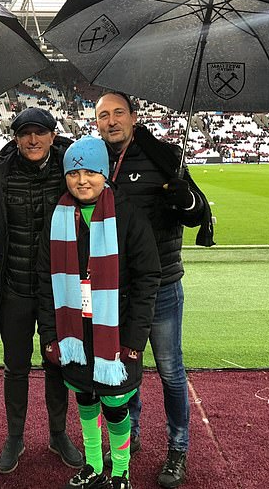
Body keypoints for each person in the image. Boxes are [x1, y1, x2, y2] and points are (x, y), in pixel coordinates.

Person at [95, 92, 214, 488]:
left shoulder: (165, 157)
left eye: (117, 113)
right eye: (102, 116)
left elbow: (198, 213)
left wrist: (186, 200)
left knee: (169, 371)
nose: (110, 121)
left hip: (161, 284)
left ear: (133, 116)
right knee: (124, 369)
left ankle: (178, 448)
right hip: (117, 288)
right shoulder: (95, 160)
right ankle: (130, 437)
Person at [37, 135, 161, 489]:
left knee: (115, 405)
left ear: (105, 174)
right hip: (74, 334)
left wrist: (135, 340)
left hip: (116, 336)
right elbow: (44, 283)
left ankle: (120, 470)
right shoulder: (57, 218)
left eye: (91, 171)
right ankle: (92, 464)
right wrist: (49, 335)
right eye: (75, 173)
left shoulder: (129, 216)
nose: (82, 180)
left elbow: (147, 279)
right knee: (85, 398)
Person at [0, 107, 83, 474]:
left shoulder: (71, 171)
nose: (32, 140)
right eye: (25, 133)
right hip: (14, 287)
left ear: (52, 135)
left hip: (59, 290)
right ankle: (15, 436)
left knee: (58, 363)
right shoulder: (0, 173)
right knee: (15, 368)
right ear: (15, 138)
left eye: (39, 133)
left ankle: (58, 434)